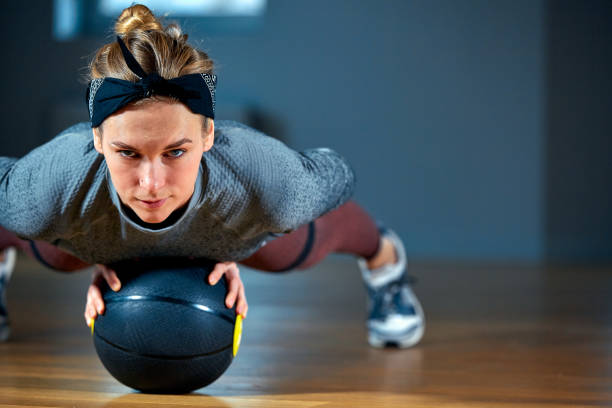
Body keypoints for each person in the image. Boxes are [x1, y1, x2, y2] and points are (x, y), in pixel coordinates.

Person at [0, 4, 424, 348]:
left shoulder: (268, 182)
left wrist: (223, 239)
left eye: (176, 151)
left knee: (287, 247)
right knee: (47, 242)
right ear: (97, 137)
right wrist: (103, 246)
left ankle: (387, 263)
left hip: (228, 224)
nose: (152, 183)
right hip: (91, 222)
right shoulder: (45, 188)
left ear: (207, 135)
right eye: (127, 152)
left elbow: (339, 173)